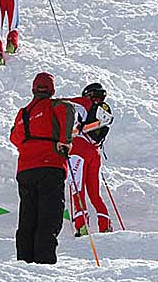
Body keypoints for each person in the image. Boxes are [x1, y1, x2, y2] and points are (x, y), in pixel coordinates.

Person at [10, 72, 75, 265]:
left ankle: (24, 263)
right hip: (50, 166)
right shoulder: (54, 105)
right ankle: (44, 263)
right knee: (49, 215)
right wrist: (64, 141)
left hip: (25, 170)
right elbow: (68, 110)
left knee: (28, 218)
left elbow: (14, 138)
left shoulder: (22, 113)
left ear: (33, 89)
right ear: (51, 90)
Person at [66, 83, 114, 236]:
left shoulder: (85, 103)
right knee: (94, 193)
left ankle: (82, 226)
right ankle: (105, 225)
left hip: (79, 148)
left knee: (77, 189)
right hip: (95, 152)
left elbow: (66, 102)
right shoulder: (105, 109)